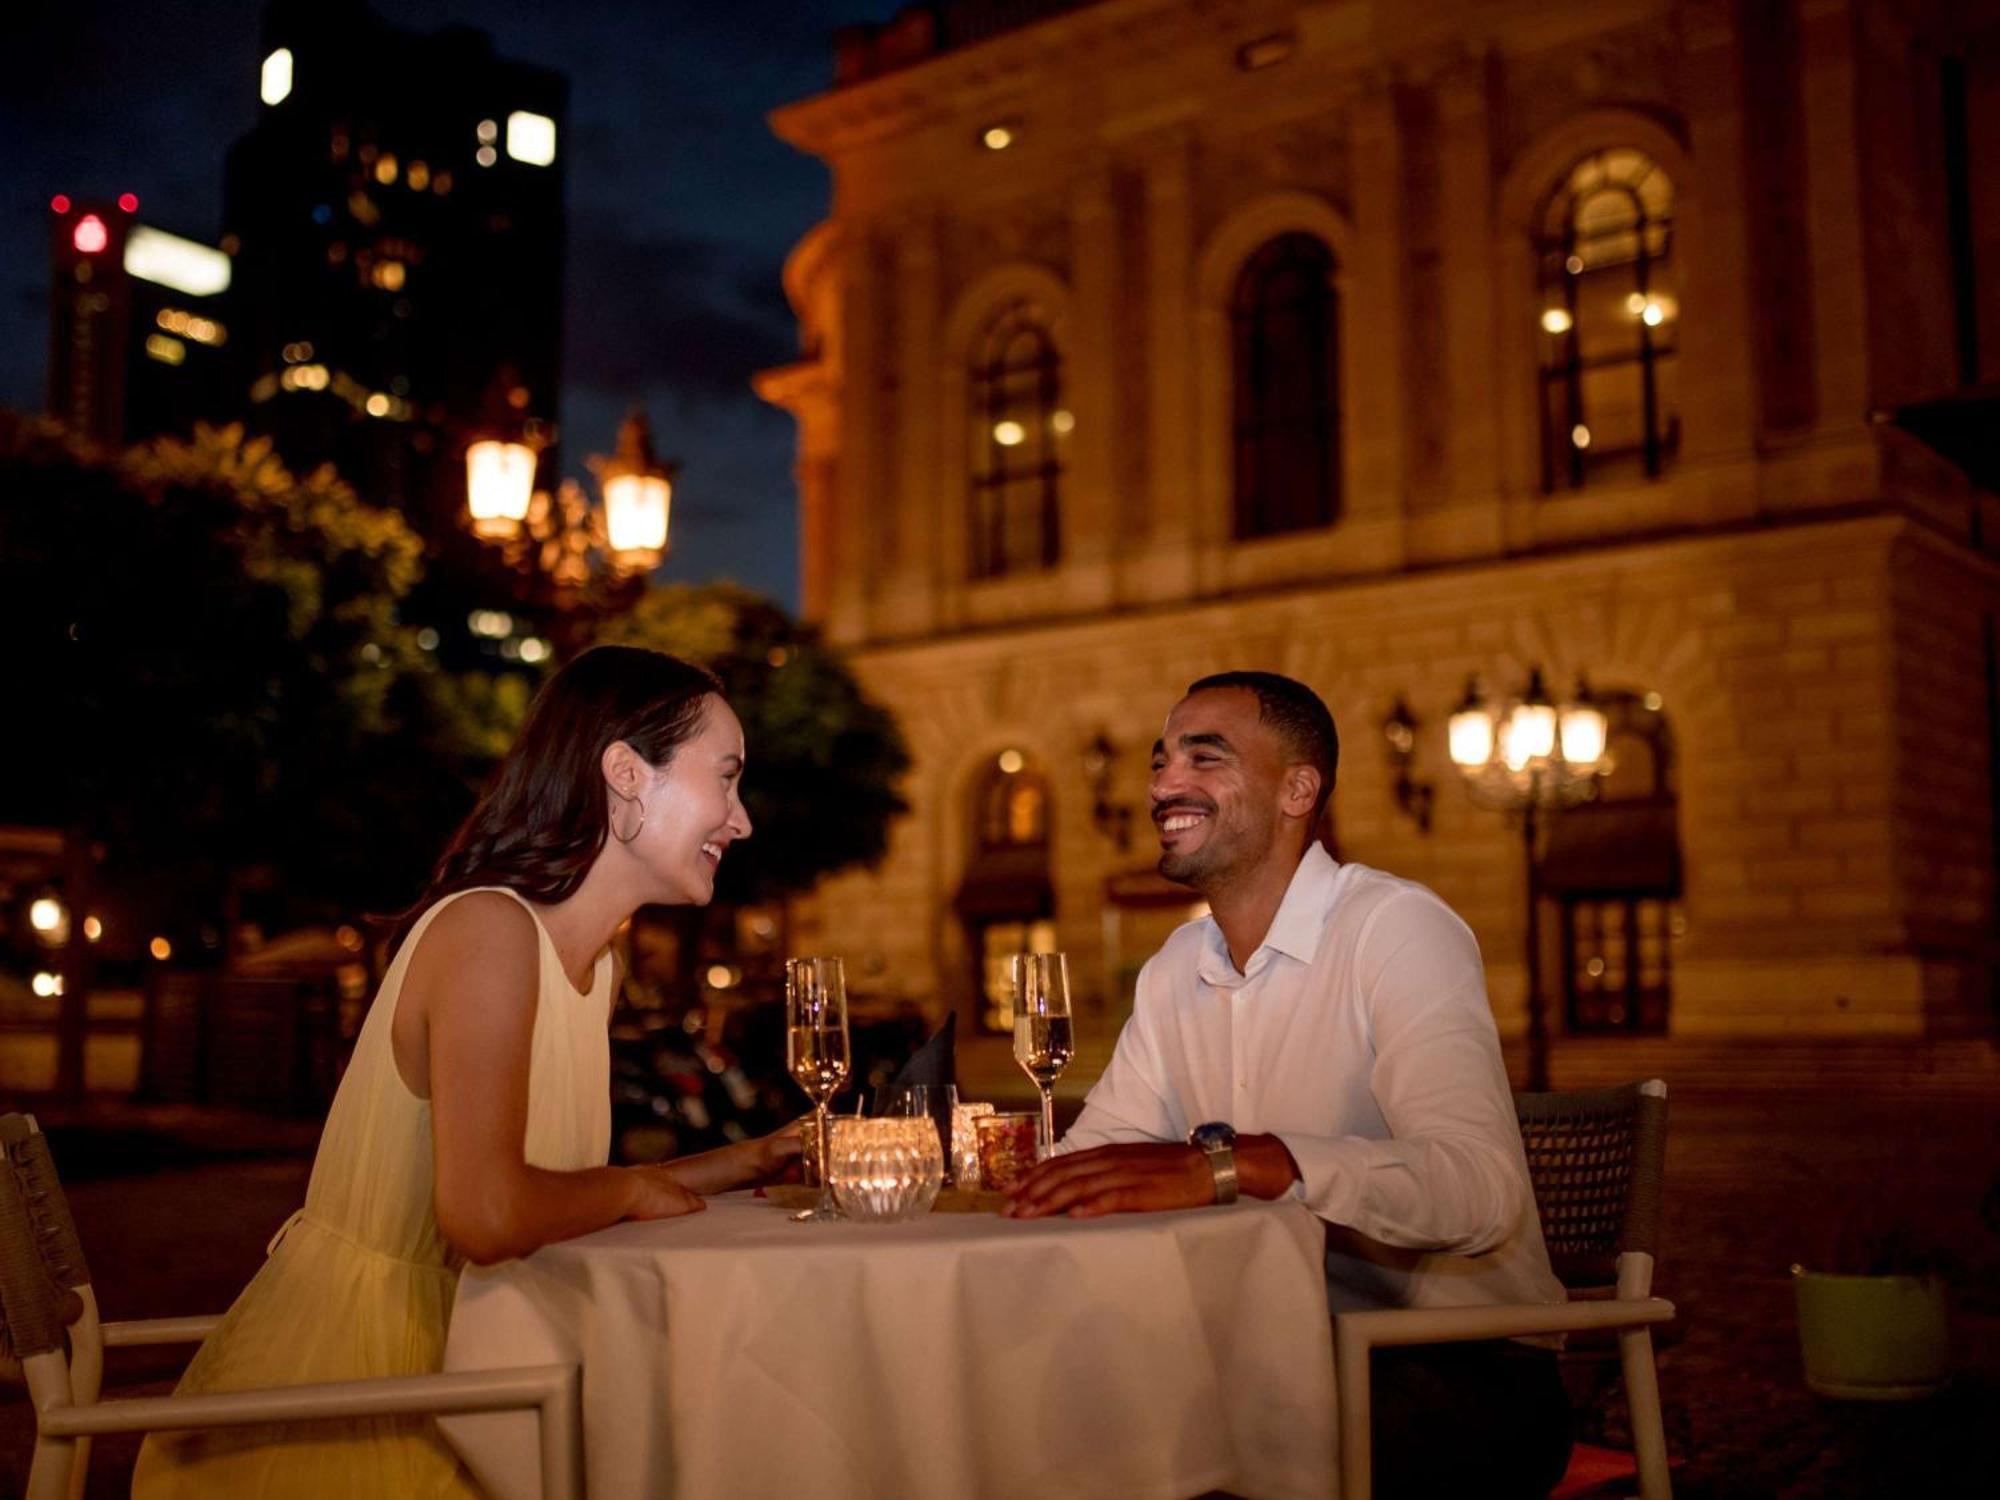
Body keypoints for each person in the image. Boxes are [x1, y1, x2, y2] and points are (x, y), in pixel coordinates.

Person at [134, 645, 799, 1498]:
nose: (740, 821)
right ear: (627, 773)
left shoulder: (594, 967)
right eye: (727, 779)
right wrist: (631, 1192)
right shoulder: (489, 934)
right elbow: (487, 1213)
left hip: (479, 1369)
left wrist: (754, 1159)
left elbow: (552, 1192)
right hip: (369, 1393)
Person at [1006, 670, 1573, 1498]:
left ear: (1297, 790)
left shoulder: (1394, 928)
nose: (1165, 784)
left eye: (1205, 759)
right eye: (1162, 762)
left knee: (1152, 1449)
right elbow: (1102, 1155)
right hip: (1259, 1351)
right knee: (1038, 1414)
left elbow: (1481, 1193)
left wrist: (1246, 1163)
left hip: (1458, 1367)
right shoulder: (1174, 968)